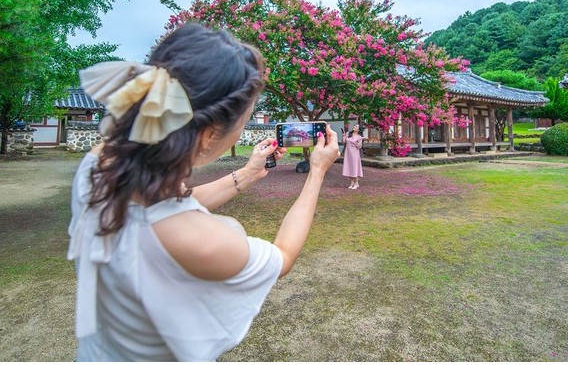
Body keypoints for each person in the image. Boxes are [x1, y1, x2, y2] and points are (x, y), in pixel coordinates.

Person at [66, 23, 340, 361]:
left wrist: (248, 173)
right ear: (210, 136)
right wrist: (317, 171)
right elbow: (282, 256)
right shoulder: (205, 242)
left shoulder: (100, 165)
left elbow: (172, 205)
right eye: (244, 121)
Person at [342, 123, 364, 189]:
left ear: (359, 129)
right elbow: (344, 142)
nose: (354, 127)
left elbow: (359, 146)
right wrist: (343, 135)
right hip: (348, 152)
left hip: (355, 153)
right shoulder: (348, 133)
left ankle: (356, 183)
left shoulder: (359, 137)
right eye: (354, 125)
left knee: (355, 167)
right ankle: (352, 183)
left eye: (356, 126)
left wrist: (359, 140)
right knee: (349, 167)